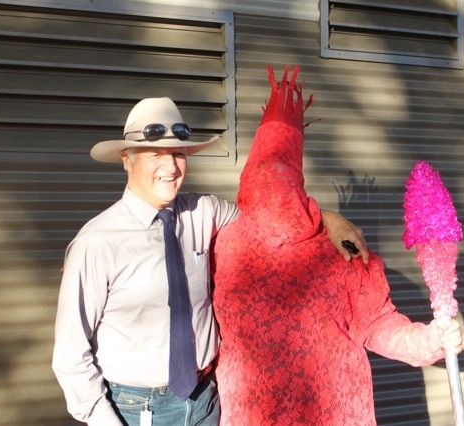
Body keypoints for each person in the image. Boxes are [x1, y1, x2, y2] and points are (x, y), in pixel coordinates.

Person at [51, 96, 368, 425]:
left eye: (178, 154)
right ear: (126, 159)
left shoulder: (203, 212)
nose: (170, 168)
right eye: (155, 155)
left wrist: (327, 218)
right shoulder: (97, 243)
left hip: (206, 400)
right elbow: (71, 356)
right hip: (136, 409)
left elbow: (273, 218)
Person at [211, 65, 463, 425]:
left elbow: (376, 324)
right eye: (262, 177)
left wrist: (428, 340)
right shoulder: (219, 243)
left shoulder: (339, 248)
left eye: (281, 178)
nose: (272, 193)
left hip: (336, 412)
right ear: (247, 180)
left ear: (297, 181)